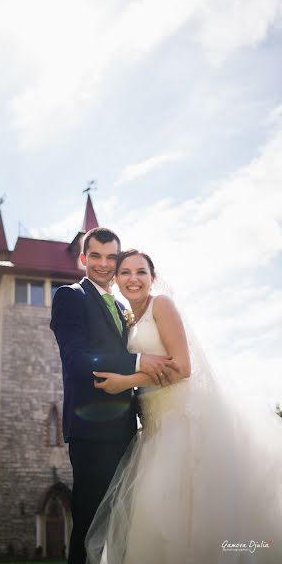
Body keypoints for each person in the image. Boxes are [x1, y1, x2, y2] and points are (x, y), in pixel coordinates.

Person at [86, 249, 282, 563]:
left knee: (183, 519)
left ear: (153, 277)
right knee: (153, 519)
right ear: (116, 278)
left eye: (141, 272)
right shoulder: (129, 321)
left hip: (181, 422)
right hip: (152, 428)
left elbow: (183, 367)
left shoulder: (161, 305)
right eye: (125, 272)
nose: (133, 279)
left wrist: (125, 381)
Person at [50, 229, 180, 564]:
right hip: (91, 432)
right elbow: (77, 360)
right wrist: (139, 361)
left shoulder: (123, 306)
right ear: (83, 258)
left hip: (129, 430)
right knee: (91, 522)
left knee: (124, 527)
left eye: (111, 257)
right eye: (96, 256)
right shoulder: (70, 296)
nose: (104, 264)